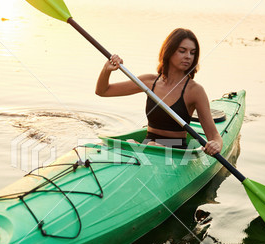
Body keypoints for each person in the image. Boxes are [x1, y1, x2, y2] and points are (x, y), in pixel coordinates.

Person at [95, 28, 222, 156]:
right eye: (182, 51)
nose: (188, 56)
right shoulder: (149, 82)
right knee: (130, 142)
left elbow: (214, 135)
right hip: (148, 147)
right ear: (169, 52)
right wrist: (107, 69)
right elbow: (103, 91)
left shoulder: (195, 91)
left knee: (149, 144)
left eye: (192, 53)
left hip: (176, 152)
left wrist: (216, 144)